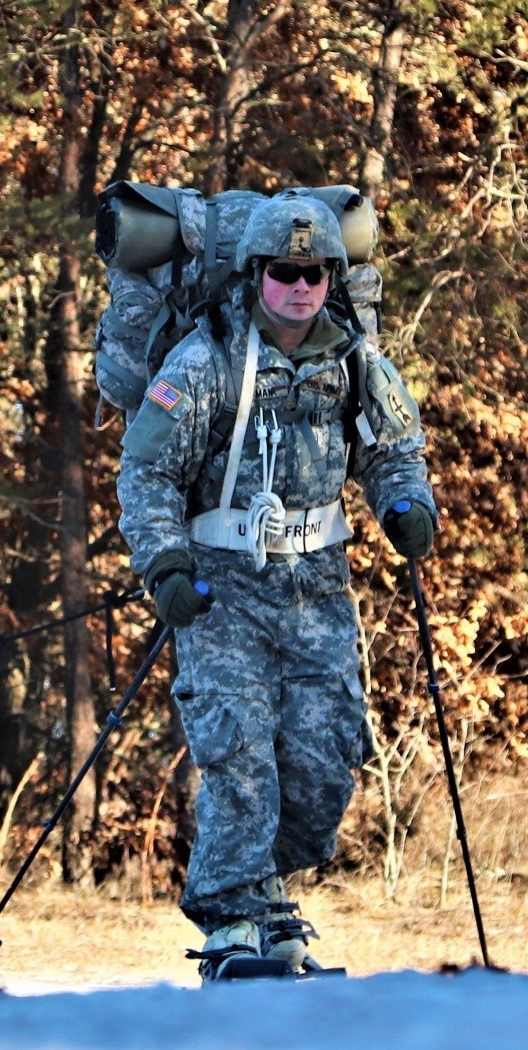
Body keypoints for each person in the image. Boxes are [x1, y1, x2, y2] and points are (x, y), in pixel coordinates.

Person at [115, 189, 436, 979]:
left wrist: (405, 505)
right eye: (286, 272)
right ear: (257, 273)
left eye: (317, 272)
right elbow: (148, 471)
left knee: (325, 756)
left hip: (317, 582)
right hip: (223, 582)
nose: (301, 287)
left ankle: (269, 894)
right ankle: (230, 917)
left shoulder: (356, 361)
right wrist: (165, 565)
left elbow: (394, 452)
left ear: (332, 277)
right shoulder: (206, 359)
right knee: (239, 746)